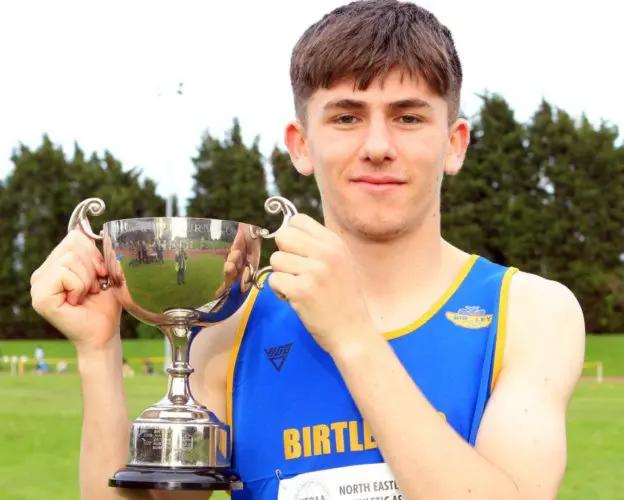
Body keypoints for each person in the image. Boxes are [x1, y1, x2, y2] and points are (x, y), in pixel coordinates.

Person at [29, 1, 585, 499]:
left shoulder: (529, 313)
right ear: (300, 145)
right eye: (346, 117)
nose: (377, 146)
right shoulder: (232, 322)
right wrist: (98, 353)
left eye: (408, 117)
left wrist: (352, 335)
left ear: (454, 144)